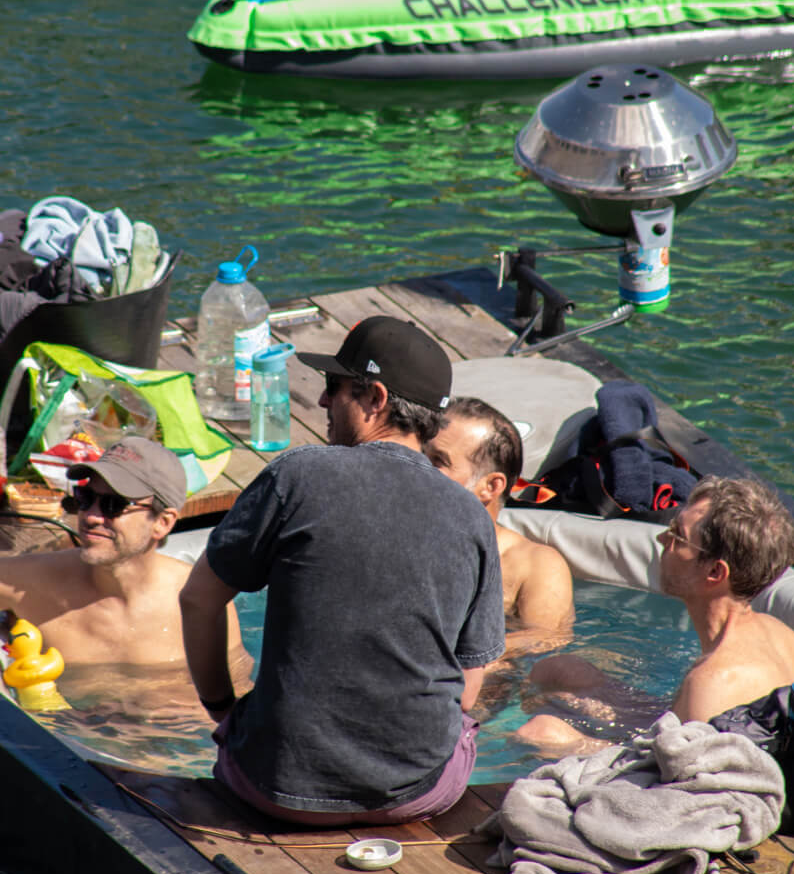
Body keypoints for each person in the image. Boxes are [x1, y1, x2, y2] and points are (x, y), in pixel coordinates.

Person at [179, 316, 506, 826]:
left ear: (375, 397)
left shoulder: (297, 475)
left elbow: (198, 599)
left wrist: (224, 710)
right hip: (415, 793)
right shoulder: (472, 517)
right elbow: (469, 675)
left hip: (275, 786)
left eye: (334, 387)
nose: (323, 402)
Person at [517, 476, 794, 757]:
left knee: (541, 732)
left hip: (686, 772)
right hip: (692, 730)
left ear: (715, 572)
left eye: (677, 536)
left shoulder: (712, 684)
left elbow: (681, 790)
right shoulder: (780, 634)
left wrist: (580, 744)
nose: (661, 539)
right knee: (560, 669)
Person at [0, 438, 252, 679]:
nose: (91, 517)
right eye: (85, 499)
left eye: (114, 505)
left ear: (162, 523)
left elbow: (232, 705)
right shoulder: (32, 583)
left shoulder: (202, 602)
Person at [424, 396, 574, 654]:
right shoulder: (400, 535)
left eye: (437, 461)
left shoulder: (535, 564)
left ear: (490, 487)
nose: (417, 467)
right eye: (420, 454)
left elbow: (546, 640)